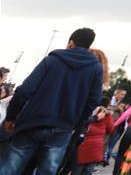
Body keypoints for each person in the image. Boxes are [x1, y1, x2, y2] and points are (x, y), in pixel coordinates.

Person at [0, 27, 103, 175]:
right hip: (63, 127)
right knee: (48, 170)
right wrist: (75, 122)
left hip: (33, 121)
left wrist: (11, 117)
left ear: (71, 42)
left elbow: (24, 91)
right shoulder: (95, 69)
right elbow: (93, 101)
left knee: (10, 166)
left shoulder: (53, 59)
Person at [71, 97, 115, 175]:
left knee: (77, 170)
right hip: (96, 147)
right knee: (88, 171)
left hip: (83, 144)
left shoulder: (89, 111)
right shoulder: (107, 115)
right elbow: (111, 129)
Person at [104, 88, 128, 165]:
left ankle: (104, 159)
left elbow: (122, 116)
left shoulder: (120, 104)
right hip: (105, 125)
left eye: (124, 95)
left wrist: (122, 111)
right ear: (117, 93)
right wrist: (117, 108)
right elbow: (105, 107)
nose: (123, 96)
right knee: (104, 142)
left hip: (115, 127)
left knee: (109, 143)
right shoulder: (110, 100)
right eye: (122, 94)